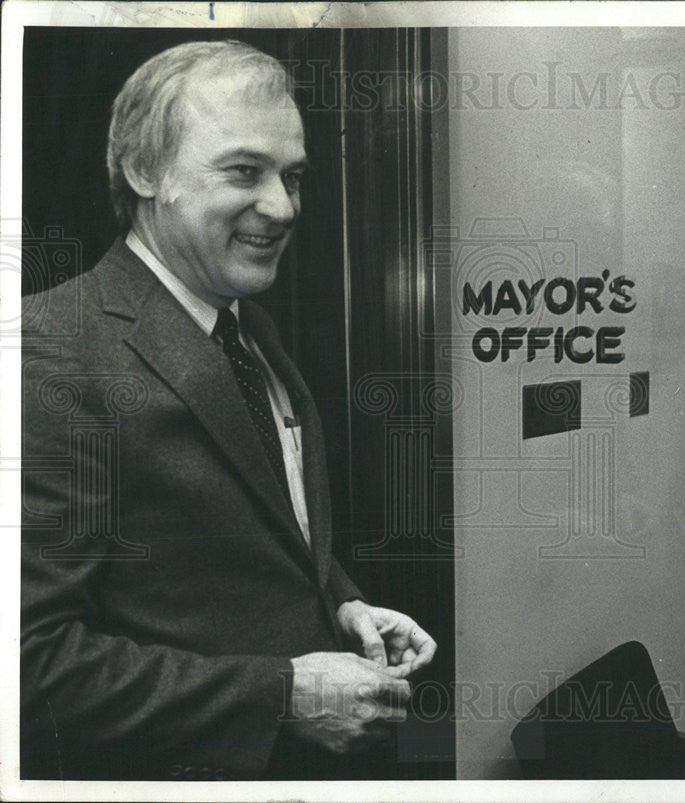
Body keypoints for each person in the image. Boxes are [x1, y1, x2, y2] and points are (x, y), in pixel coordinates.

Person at [21, 40, 436, 781]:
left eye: (293, 176)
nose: (282, 206)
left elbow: (255, 531)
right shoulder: (49, 349)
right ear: (144, 172)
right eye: (245, 171)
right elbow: (31, 666)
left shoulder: (246, 325)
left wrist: (339, 603)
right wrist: (283, 695)